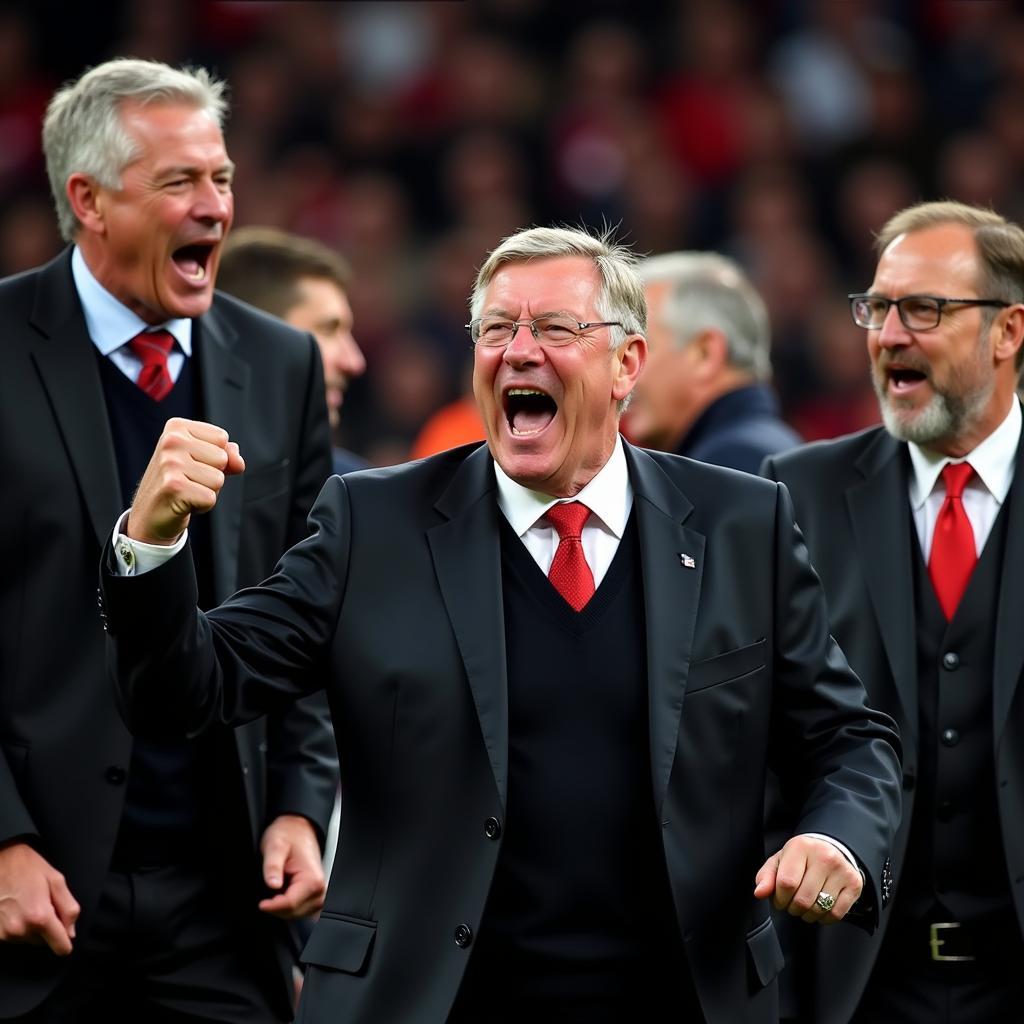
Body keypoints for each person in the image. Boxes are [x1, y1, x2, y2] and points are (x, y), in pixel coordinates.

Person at [100, 225, 902, 1024]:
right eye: (495, 329)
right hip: (431, 1002)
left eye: (555, 328)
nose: (518, 351)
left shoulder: (741, 522)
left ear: (628, 364)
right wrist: (152, 542)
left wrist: (837, 841)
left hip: (684, 998)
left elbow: (850, 738)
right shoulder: (373, 523)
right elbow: (187, 691)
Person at [0, 58, 339, 1022]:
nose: (214, 207)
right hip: (41, 895)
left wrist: (299, 806)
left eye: (222, 178)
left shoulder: (282, 365)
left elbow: (311, 614)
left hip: (225, 897)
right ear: (89, 200)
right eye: (179, 182)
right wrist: (2, 843)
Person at [763, 200, 1024, 1024]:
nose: (888, 334)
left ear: (1009, 332)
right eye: (877, 308)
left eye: (925, 309)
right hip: (856, 984)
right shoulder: (793, 494)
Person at [626, 251, 801, 473]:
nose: (621, 371)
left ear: (705, 353)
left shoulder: (733, 461)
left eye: (640, 348)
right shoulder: (765, 448)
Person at [216, 226, 368, 475]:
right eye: (329, 330)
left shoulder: (355, 491)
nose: (354, 362)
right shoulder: (170, 478)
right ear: (255, 335)